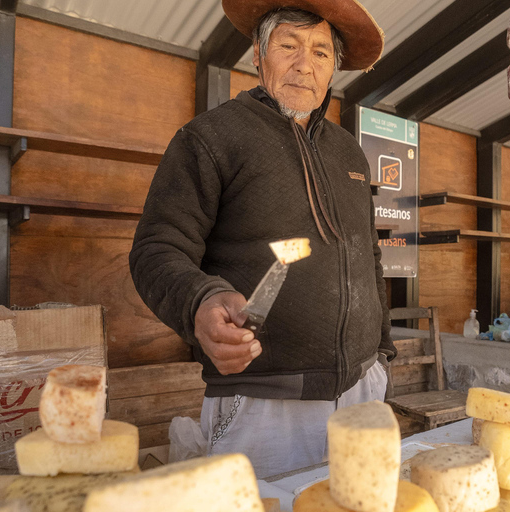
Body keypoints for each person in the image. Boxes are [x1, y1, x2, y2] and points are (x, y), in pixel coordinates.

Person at [128, 0, 395, 478]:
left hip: (363, 391)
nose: (302, 64)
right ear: (258, 55)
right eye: (287, 46)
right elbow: (157, 248)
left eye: (319, 52)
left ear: (333, 67)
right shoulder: (210, 138)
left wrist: (383, 353)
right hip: (264, 400)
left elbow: (368, 255)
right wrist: (200, 302)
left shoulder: (349, 151)